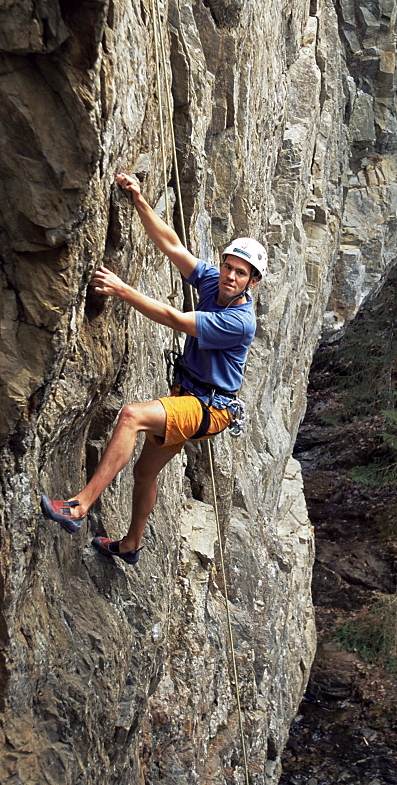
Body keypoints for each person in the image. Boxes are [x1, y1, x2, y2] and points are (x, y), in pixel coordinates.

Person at [41, 172, 266, 564]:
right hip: (190, 396)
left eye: (240, 272)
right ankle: (130, 546)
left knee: (132, 417)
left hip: (207, 408)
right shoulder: (215, 284)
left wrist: (122, 289)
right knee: (145, 473)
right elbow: (173, 246)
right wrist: (140, 201)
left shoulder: (240, 321)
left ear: (252, 282)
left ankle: (78, 507)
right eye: (228, 266)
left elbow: (177, 320)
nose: (230, 276)